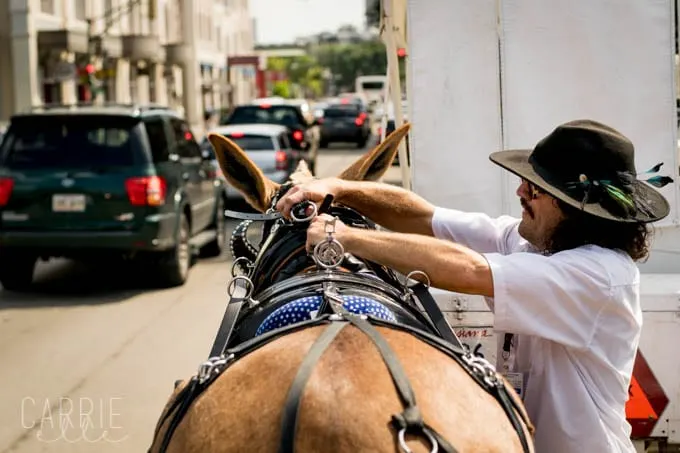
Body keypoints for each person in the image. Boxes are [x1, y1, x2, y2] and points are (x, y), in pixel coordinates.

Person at [275, 119, 673, 453]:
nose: (520, 192)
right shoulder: (532, 242)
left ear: (574, 208)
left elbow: (468, 270)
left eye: (534, 188)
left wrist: (348, 238)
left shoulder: (600, 276)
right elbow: (423, 217)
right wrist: (339, 189)